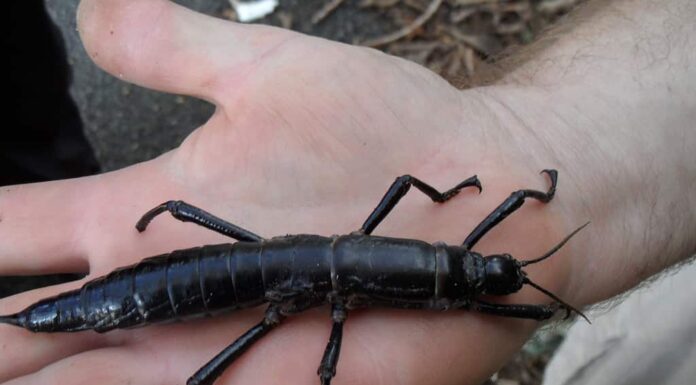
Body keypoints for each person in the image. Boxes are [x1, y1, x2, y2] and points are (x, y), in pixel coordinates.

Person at [0, 0, 693, 384]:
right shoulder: (451, 286)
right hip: (225, 279)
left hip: (240, 272)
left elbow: (465, 216)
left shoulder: (431, 263)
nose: (489, 272)